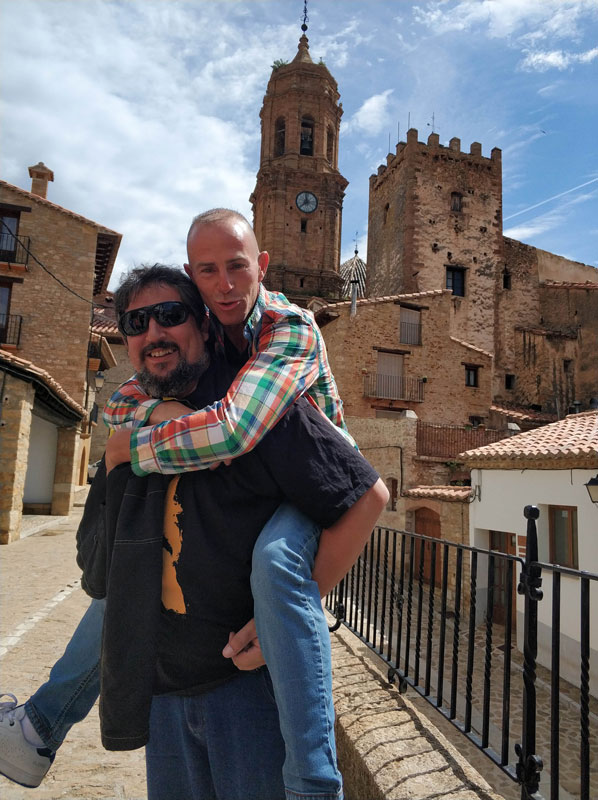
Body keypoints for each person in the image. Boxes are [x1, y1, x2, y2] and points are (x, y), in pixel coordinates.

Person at [0, 264, 387, 800]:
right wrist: (124, 450)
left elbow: (364, 495)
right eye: (136, 323)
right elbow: (98, 568)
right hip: (164, 695)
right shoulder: (132, 417)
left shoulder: (259, 405)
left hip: (246, 696)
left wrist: (291, 605)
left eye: (171, 315)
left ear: (204, 324)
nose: (154, 333)